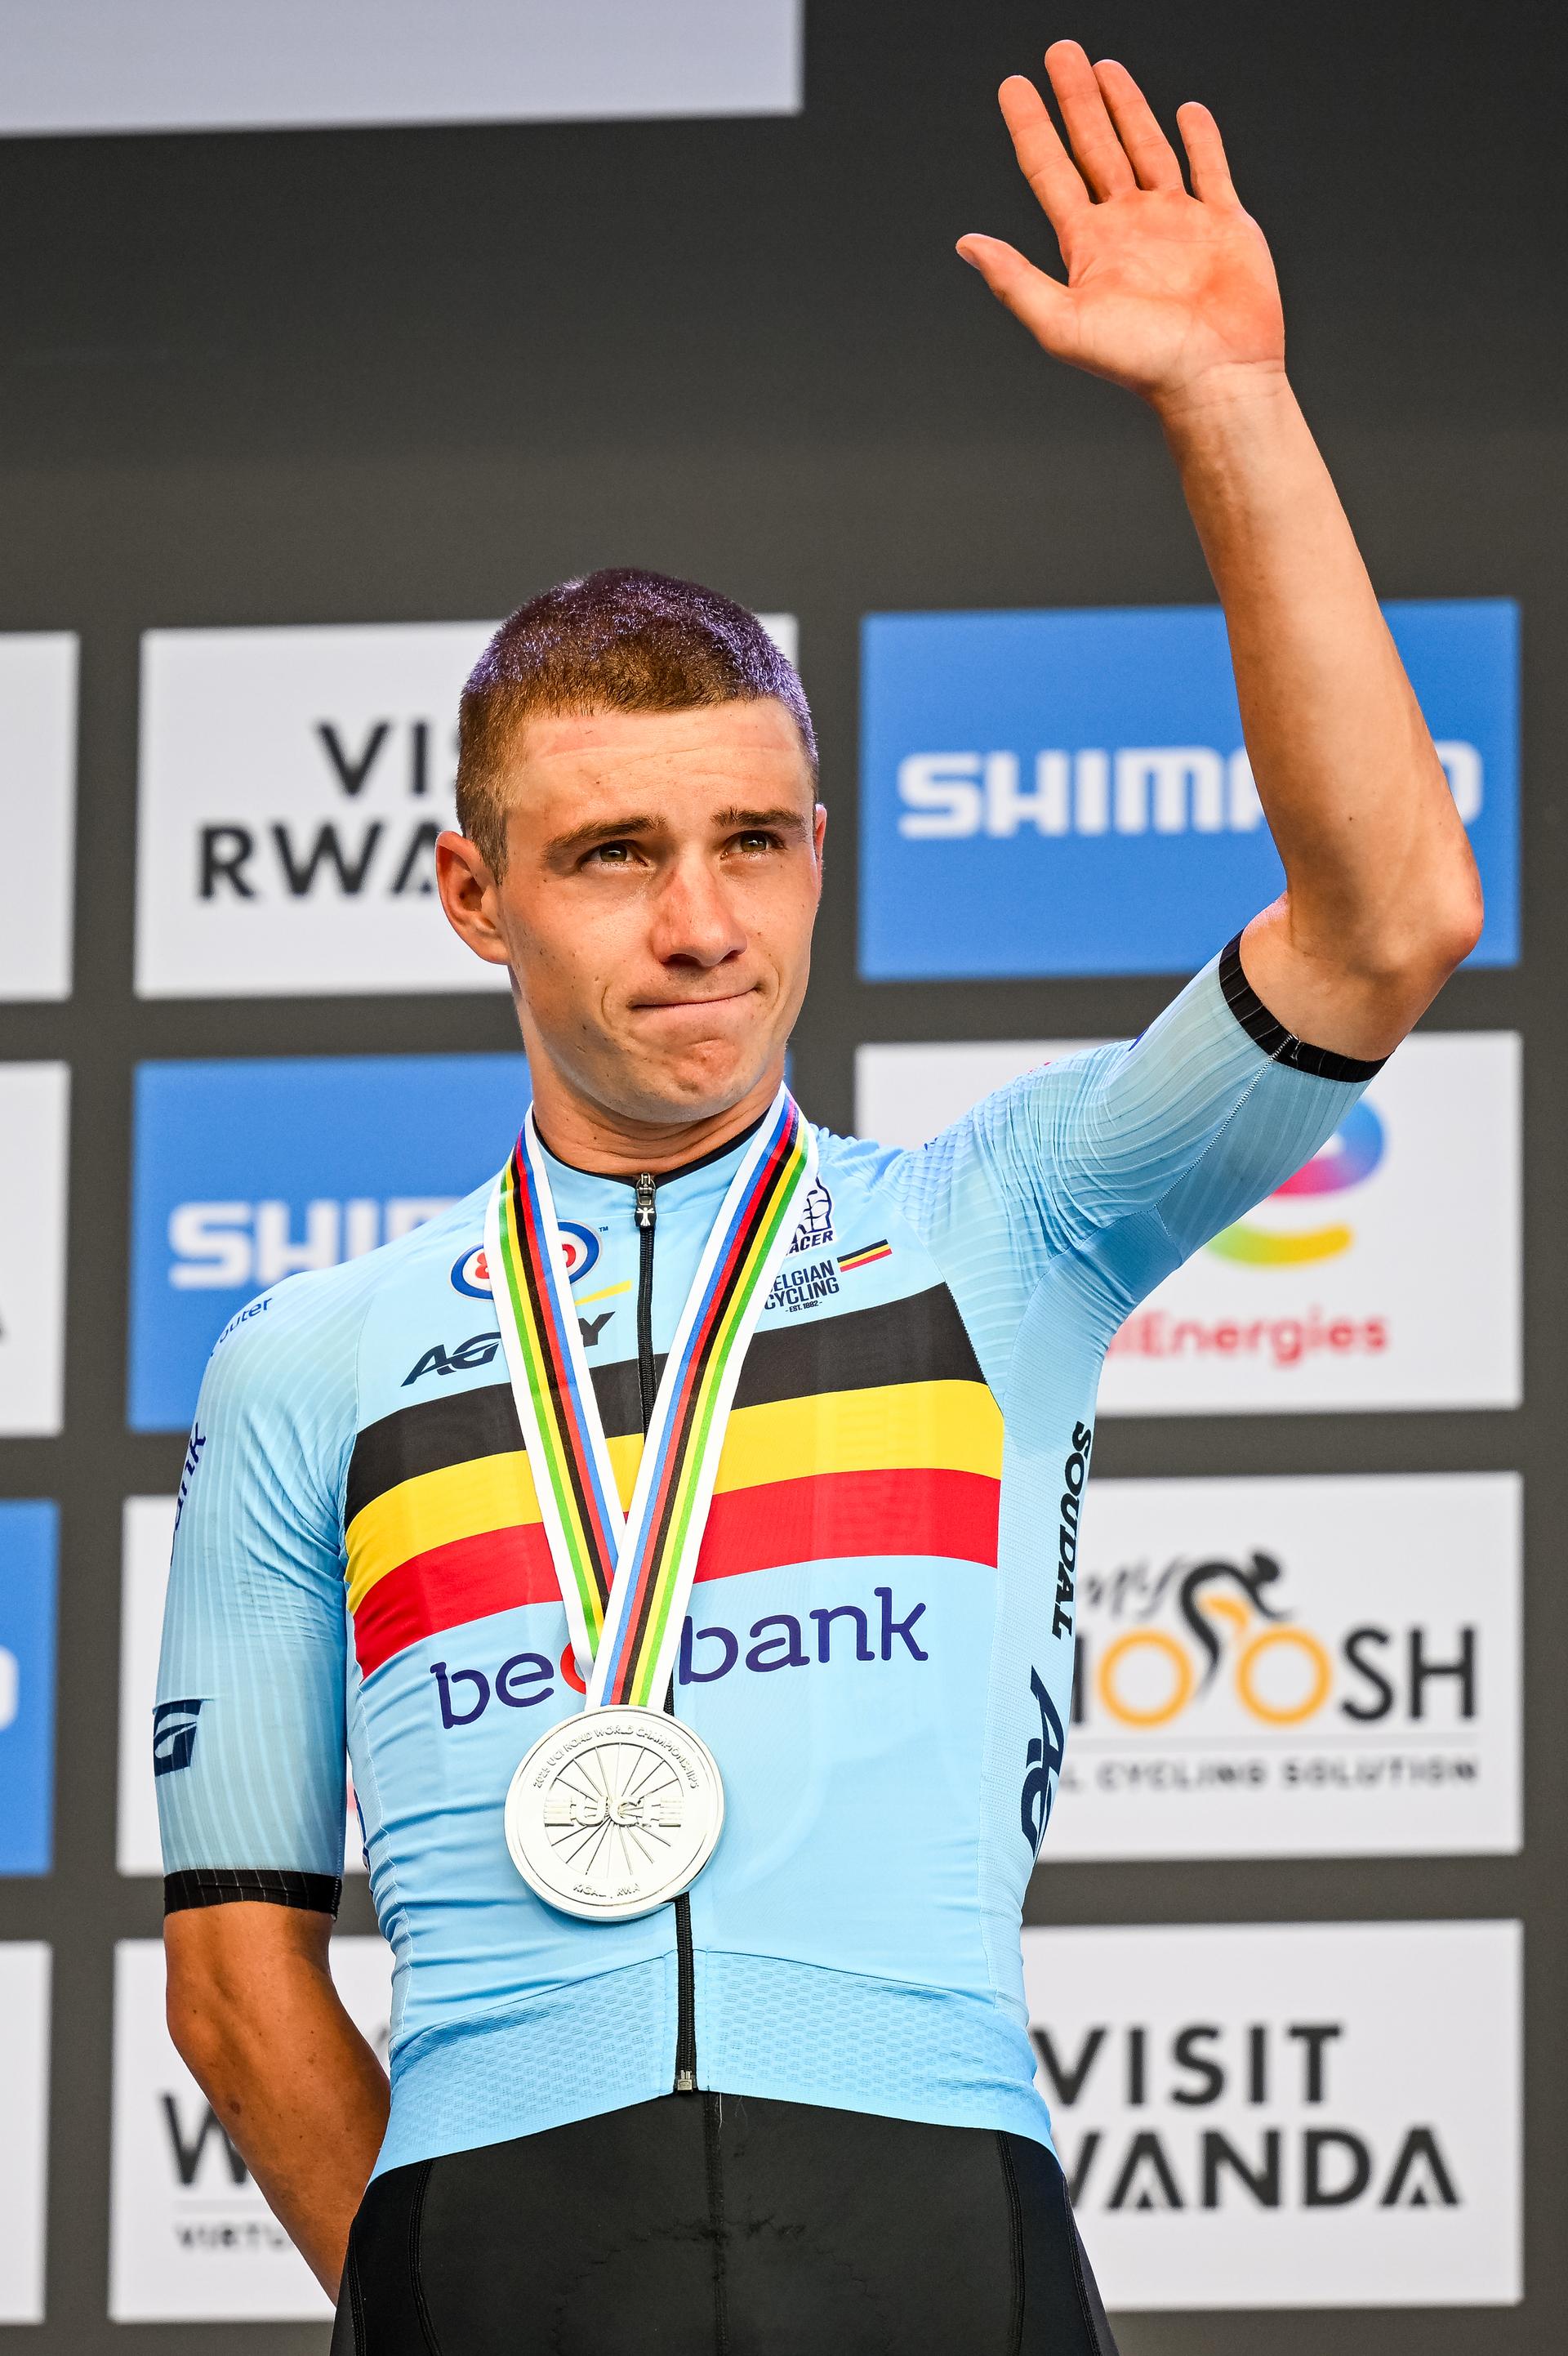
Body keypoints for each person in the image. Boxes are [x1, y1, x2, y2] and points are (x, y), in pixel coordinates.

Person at [156, 39, 1481, 2356]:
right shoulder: (307, 1360)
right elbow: (238, 1977)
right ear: (475, 891)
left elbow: (1386, 921)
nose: (702, 922)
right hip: (493, 2241)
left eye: (753, 841)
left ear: (821, 857)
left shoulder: (1016, 1223)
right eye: (614, 854)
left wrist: (1231, 409)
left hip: (932, 2215)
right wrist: (447, 2282)